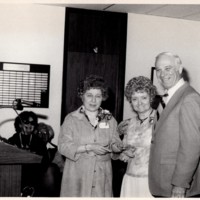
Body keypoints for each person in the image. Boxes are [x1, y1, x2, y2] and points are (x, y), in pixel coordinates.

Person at [58, 74, 123, 197]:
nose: (93, 100)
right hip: (77, 175)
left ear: (103, 98)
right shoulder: (71, 119)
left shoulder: (110, 119)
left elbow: (114, 144)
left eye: (98, 96)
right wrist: (88, 147)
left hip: (102, 177)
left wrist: (119, 147)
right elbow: (63, 146)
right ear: (82, 96)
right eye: (89, 96)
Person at [149, 52, 200, 197]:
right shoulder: (168, 97)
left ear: (179, 69)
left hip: (176, 186)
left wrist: (180, 184)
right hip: (163, 181)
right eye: (158, 70)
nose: (162, 74)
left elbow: (191, 146)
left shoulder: (189, 98)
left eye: (168, 68)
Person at [117, 76, 156, 197]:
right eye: (134, 99)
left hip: (151, 180)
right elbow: (122, 149)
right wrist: (123, 153)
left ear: (151, 98)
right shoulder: (128, 123)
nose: (139, 103)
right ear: (130, 101)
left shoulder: (161, 120)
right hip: (130, 178)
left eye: (144, 97)